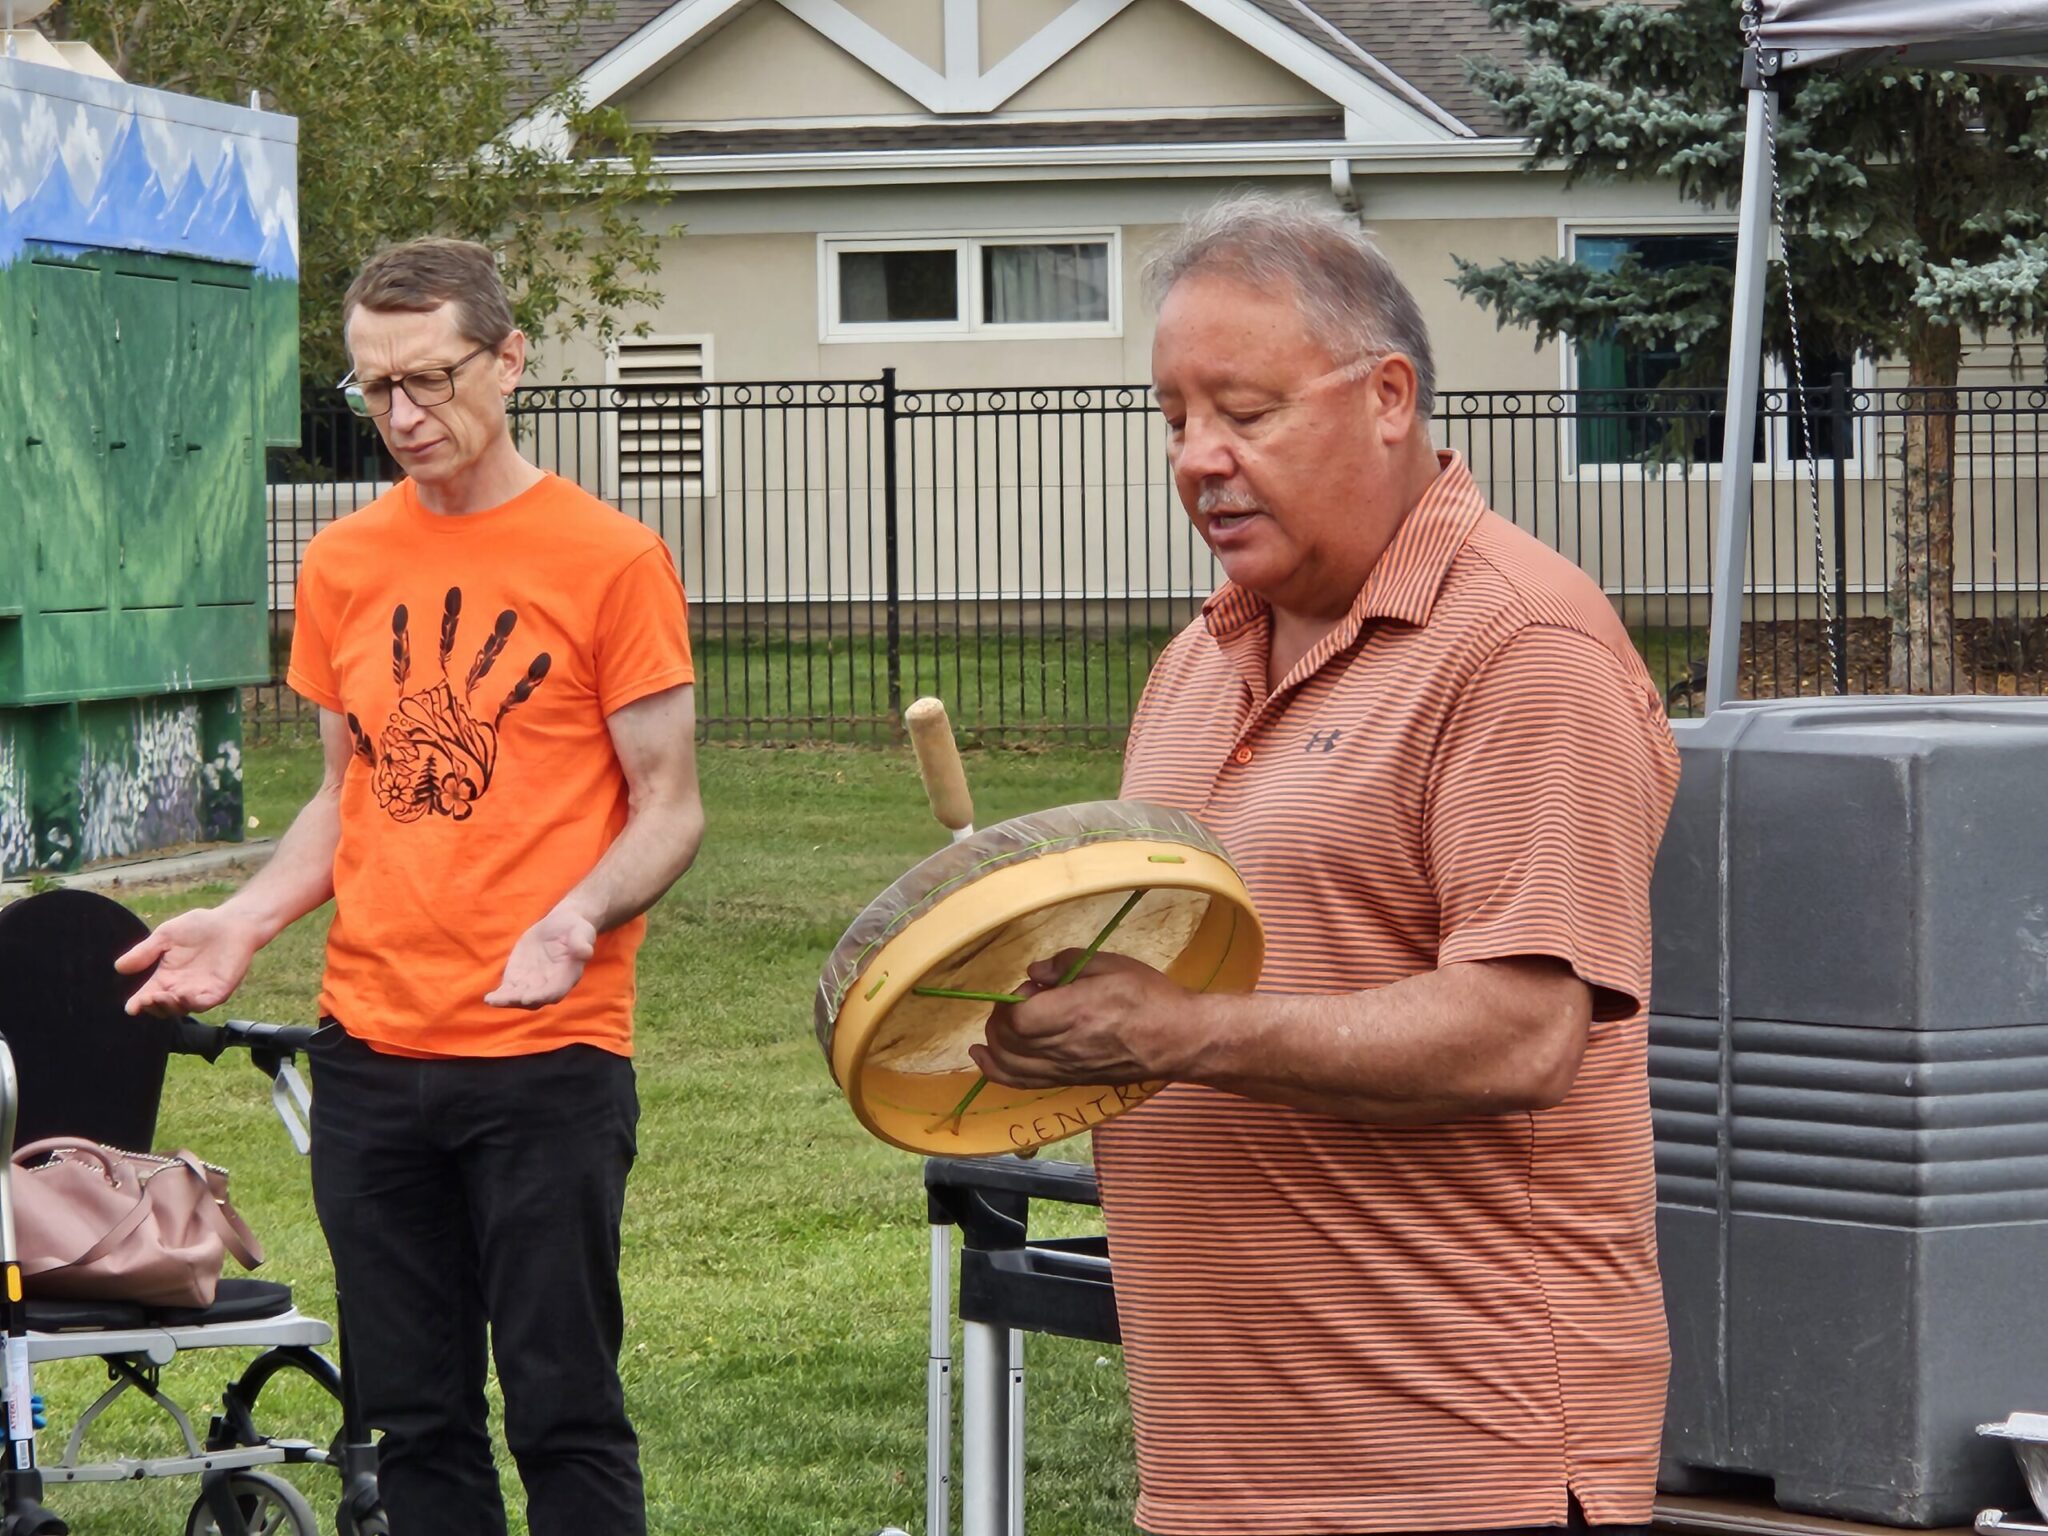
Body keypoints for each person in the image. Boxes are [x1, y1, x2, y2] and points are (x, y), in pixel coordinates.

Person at [970, 193, 1681, 1536]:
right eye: (1175, 419)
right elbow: (1178, 982)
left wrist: (1178, 1034)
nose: (1200, 458)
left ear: (1388, 397)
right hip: (1217, 1470)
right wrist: (1052, 1018)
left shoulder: (1524, 648)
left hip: (1461, 1466)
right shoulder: (1198, 660)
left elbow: (1526, 1030)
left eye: (1246, 412)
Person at [117, 237, 704, 1536]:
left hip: (546, 1055)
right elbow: (349, 793)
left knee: (564, 1410)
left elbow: (670, 807)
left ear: (509, 360)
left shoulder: (611, 560)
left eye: (429, 378)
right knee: (413, 1423)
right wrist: (246, 917)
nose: (401, 413)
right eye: (373, 387)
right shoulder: (342, 562)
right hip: (371, 1059)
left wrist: (576, 915)